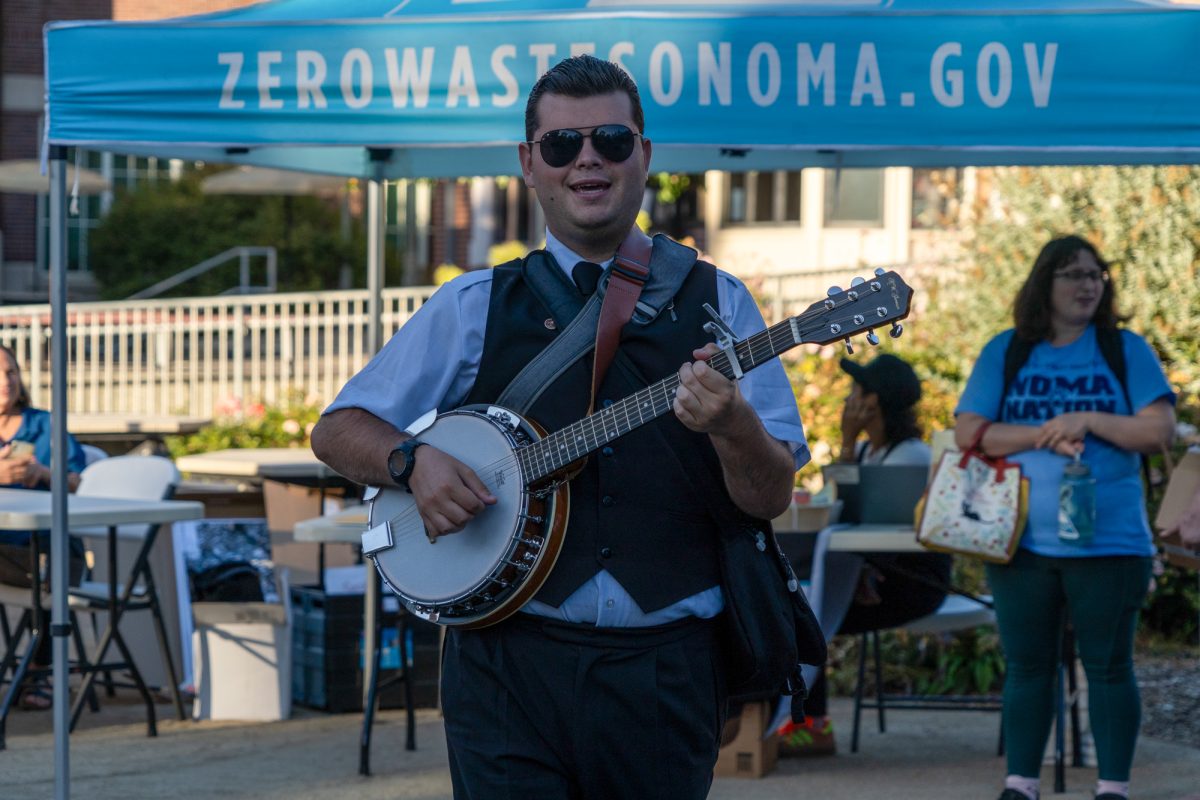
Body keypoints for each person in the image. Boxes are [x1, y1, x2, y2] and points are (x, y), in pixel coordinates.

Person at [311, 55, 808, 799]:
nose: (588, 160)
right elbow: (338, 430)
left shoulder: (720, 302)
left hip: (665, 670)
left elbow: (770, 497)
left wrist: (734, 424)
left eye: (611, 140)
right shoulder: (475, 301)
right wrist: (413, 462)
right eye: (562, 145)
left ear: (643, 154)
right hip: (506, 667)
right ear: (528, 162)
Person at [955, 235, 1175, 800]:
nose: (1087, 284)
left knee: (1109, 667)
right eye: (1072, 274)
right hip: (1019, 540)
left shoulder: (1125, 349)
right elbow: (970, 431)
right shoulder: (1008, 350)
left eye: (1096, 273)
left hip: (1111, 541)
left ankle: (1112, 789)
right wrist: (1044, 435)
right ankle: (1020, 786)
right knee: (1029, 667)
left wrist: (1089, 420)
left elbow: (1157, 431)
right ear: (1043, 284)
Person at [778, 353, 949, 755]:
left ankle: (811, 727)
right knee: (793, 610)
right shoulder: (875, 454)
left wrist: (847, 441)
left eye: (857, 390)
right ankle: (791, 721)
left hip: (911, 585)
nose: (848, 399)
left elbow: (848, 513)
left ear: (874, 402)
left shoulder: (911, 457)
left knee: (801, 620)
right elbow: (834, 507)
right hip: (871, 579)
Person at [0, 343, 88, 710]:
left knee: (52, 563)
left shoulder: (45, 425)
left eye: (11, 372)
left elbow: (80, 482)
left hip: (42, 551)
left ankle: (37, 670)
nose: (6, 381)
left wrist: (42, 473)